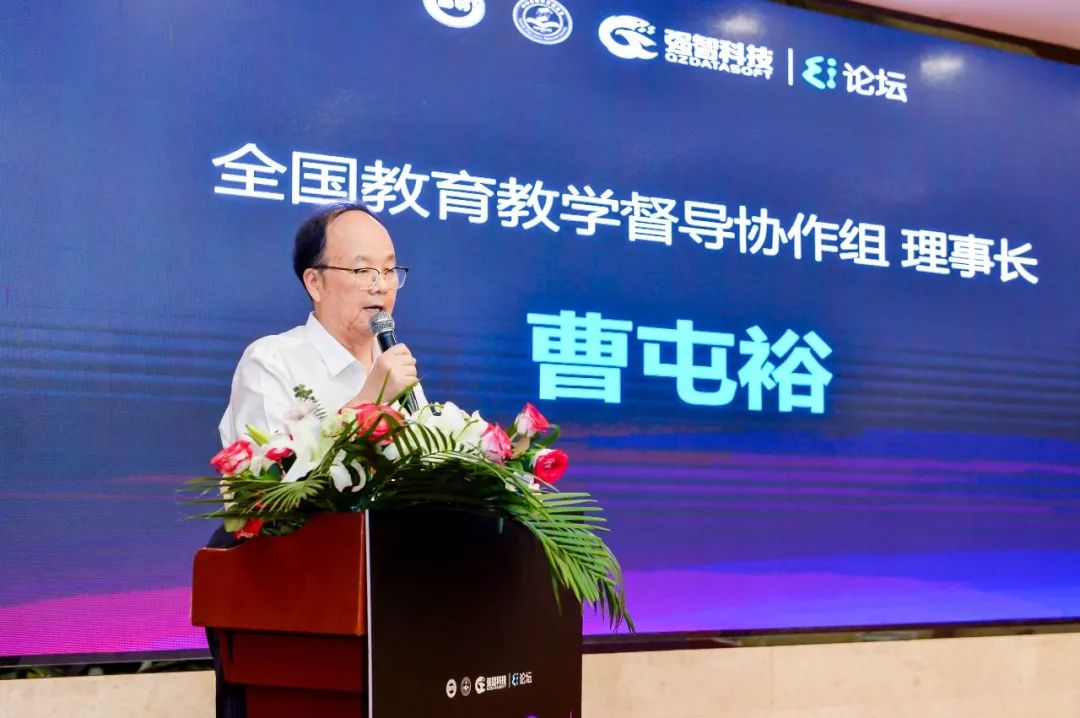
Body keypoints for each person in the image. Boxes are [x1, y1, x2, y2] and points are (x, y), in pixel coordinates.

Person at [207, 202, 424, 718]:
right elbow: (268, 489)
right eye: (362, 270)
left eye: (389, 270)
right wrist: (370, 399)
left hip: (384, 604)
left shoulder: (397, 371)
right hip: (284, 600)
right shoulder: (272, 360)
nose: (380, 285)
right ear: (315, 282)